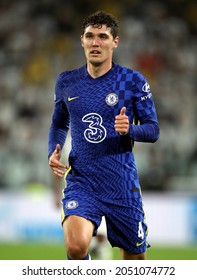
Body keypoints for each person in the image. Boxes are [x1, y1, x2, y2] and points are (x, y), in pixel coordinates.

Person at [48, 10, 160, 260]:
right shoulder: (67, 81)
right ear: (82, 40)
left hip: (121, 182)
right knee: (76, 248)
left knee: (135, 262)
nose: (95, 42)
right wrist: (52, 149)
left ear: (115, 41)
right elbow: (58, 123)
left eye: (102, 36)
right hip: (82, 180)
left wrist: (130, 129)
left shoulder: (131, 81)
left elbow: (153, 130)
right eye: (90, 36)